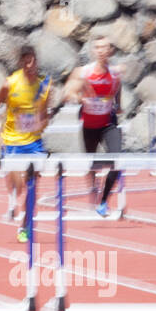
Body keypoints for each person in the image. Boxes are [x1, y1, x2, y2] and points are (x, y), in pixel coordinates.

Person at [0, 44, 53, 243]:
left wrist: (43, 121)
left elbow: (44, 113)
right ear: (20, 63)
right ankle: (13, 199)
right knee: (16, 186)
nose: (29, 65)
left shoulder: (45, 85)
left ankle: (24, 226)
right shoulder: (11, 83)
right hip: (13, 141)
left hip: (34, 143)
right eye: (25, 61)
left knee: (32, 186)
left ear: (37, 61)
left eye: (32, 60)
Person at [62, 37, 123, 217]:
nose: (101, 51)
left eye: (104, 47)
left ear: (110, 51)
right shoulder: (84, 72)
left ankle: (103, 201)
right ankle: (94, 188)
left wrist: (118, 104)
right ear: (93, 51)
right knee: (92, 164)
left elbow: (117, 86)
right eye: (97, 47)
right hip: (89, 124)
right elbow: (67, 92)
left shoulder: (115, 72)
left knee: (117, 161)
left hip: (108, 123)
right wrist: (80, 98)